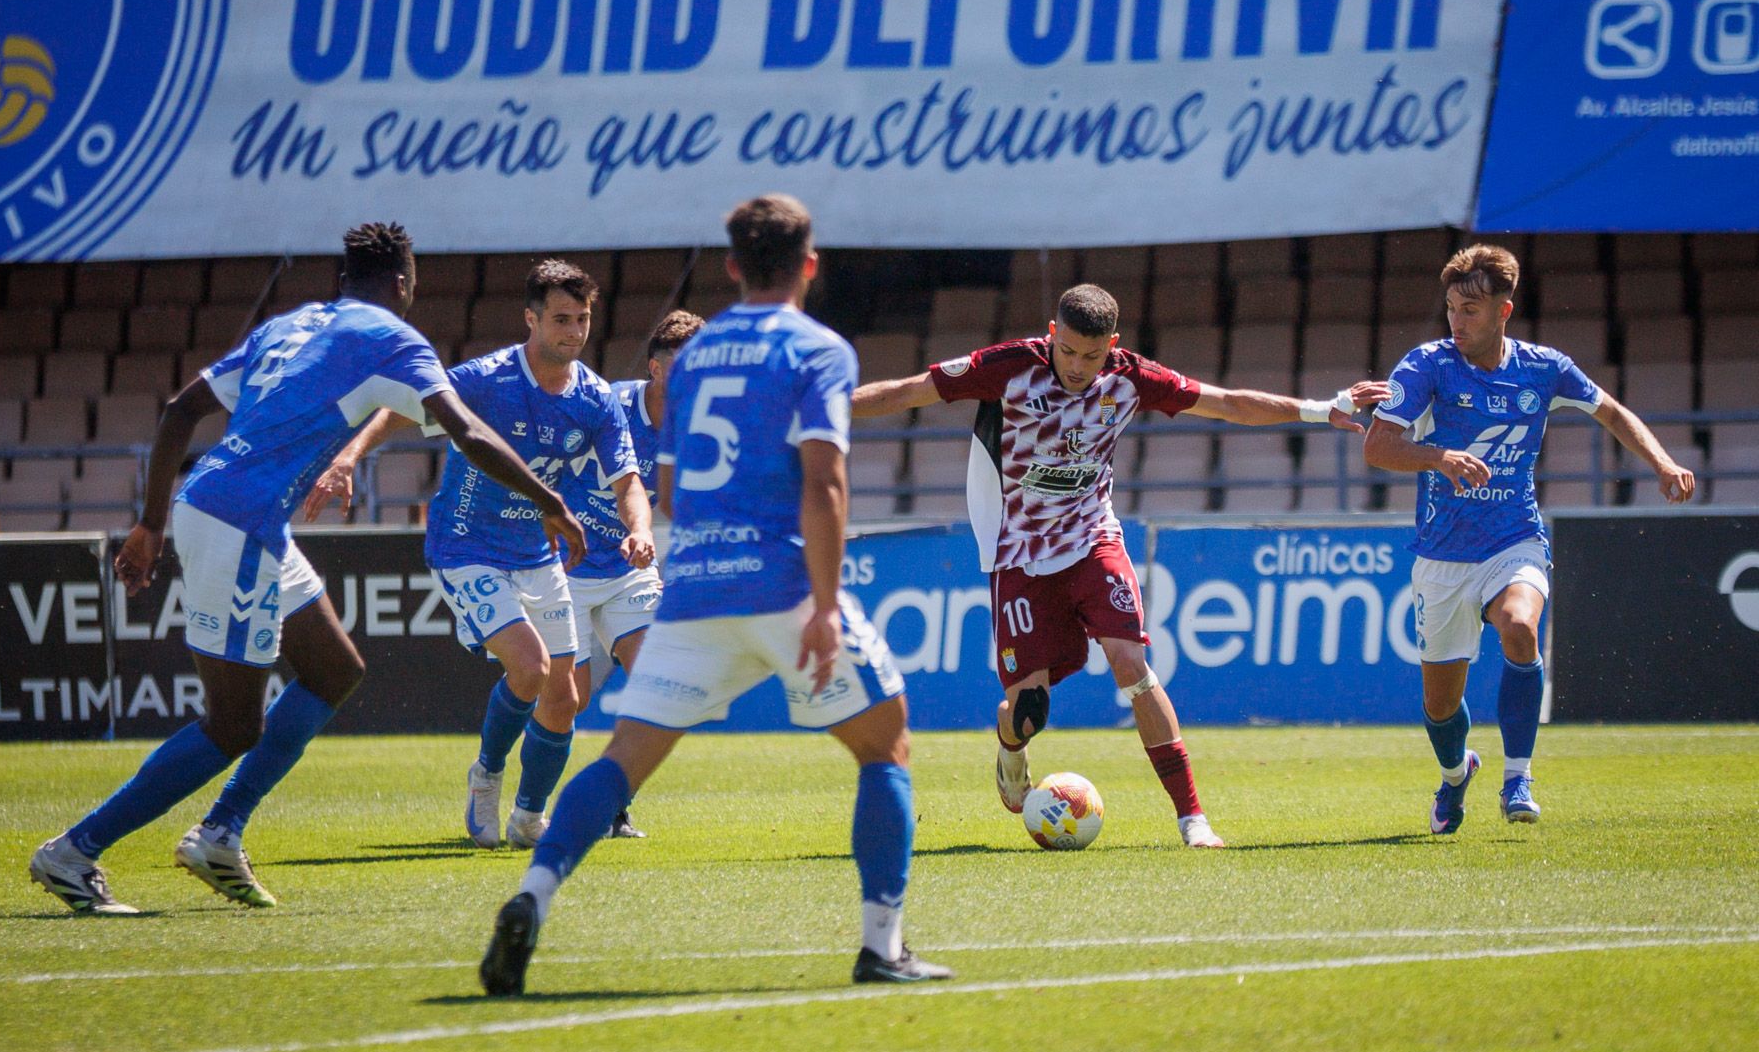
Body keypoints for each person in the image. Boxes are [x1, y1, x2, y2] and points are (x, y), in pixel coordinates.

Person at [29, 224, 585, 914]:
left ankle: (222, 832)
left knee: (333, 670)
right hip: (240, 525)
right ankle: (75, 851)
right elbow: (467, 432)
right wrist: (552, 501)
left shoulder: (289, 327)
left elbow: (180, 410)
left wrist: (151, 522)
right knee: (233, 725)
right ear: (404, 284)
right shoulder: (391, 339)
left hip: (227, 512)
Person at [479, 194, 951, 996]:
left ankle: (532, 894)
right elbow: (825, 482)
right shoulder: (819, 350)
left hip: (693, 586)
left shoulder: (693, 357)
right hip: (784, 582)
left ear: (732, 266)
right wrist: (828, 606)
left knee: (624, 757)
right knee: (885, 745)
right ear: (810, 264)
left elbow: (666, 490)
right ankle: (882, 946)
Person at [852, 284, 1386, 849]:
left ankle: (1192, 818)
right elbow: (910, 392)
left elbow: (1227, 403)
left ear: (1114, 343)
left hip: (1092, 540)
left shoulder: (1131, 378)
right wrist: (826, 407)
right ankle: (1011, 749)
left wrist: (1319, 409)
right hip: (1019, 554)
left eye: (1094, 354)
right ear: (1052, 335)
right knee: (1027, 710)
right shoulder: (1007, 368)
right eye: (1070, 352)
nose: (1080, 367)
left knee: (1131, 662)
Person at [305, 261, 655, 850]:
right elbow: (404, 406)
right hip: (466, 544)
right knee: (530, 666)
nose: (574, 331)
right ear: (531, 318)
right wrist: (349, 457)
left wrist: (639, 529)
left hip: (535, 553)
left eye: (583, 318)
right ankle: (487, 775)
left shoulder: (595, 398)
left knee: (564, 696)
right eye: (561, 319)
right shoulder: (488, 378)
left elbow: (628, 483)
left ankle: (528, 815)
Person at [1364, 244, 1695, 834]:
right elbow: (1378, 446)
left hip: (1515, 538)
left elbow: (1612, 412)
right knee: (1440, 707)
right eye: (1451, 309)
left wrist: (1664, 464)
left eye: (1470, 310)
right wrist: (1441, 457)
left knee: (1519, 626)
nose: (1457, 322)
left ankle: (1518, 775)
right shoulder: (1426, 366)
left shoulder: (1544, 368)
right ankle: (1455, 774)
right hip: (1441, 556)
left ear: (1503, 311)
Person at [571, 308, 706, 839]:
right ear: (654, 368)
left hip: (629, 567)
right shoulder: (608, 405)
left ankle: (611, 804)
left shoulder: (700, 429)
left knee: (662, 685)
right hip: (566, 561)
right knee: (567, 700)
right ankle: (498, 778)